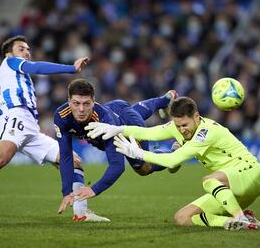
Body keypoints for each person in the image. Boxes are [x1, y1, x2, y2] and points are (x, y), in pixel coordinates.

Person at [0, 35, 109, 223]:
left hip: (30, 128)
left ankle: (81, 213)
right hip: (16, 117)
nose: (26, 52)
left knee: (74, 161)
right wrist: (71, 68)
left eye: (28, 49)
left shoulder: (15, 74)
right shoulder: (11, 62)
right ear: (8, 53)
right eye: (21, 48)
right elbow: (37, 67)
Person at [85, 96, 260, 230]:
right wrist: (118, 128)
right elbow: (150, 133)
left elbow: (173, 159)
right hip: (231, 191)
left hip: (249, 173)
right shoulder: (177, 127)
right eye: (178, 126)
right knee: (182, 218)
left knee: (209, 180)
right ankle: (238, 221)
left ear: (196, 117)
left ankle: (238, 216)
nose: (182, 130)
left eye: (185, 125)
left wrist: (139, 153)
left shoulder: (206, 132)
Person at [54, 78, 178, 214]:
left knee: (143, 168)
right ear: (69, 101)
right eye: (76, 103)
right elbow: (66, 155)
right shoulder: (61, 116)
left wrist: (94, 189)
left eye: (86, 104)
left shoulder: (106, 123)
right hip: (116, 107)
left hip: (127, 127)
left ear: (94, 101)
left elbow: (117, 166)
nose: (81, 109)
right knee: (135, 111)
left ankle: (173, 154)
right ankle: (165, 100)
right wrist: (66, 191)